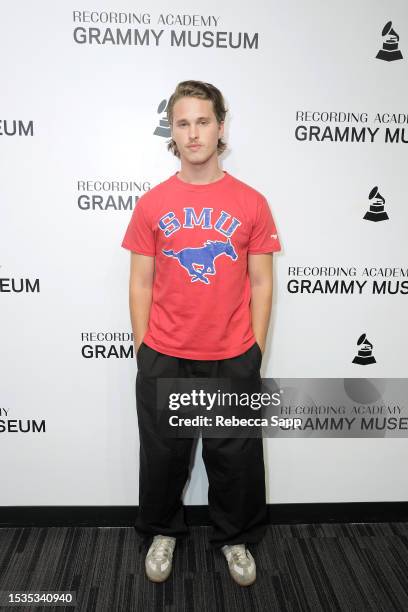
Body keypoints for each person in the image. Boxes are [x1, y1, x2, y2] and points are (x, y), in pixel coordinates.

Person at [121, 80, 281, 586]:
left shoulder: (251, 203)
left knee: (234, 458)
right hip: (165, 354)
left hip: (231, 355)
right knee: (164, 456)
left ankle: (235, 539)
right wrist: (144, 347)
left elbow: (261, 280)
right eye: (183, 122)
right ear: (173, 130)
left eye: (203, 121)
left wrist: (253, 348)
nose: (194, 133)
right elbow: (141, 280)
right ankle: (163, 530)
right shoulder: (152, 204)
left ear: (221, 127)